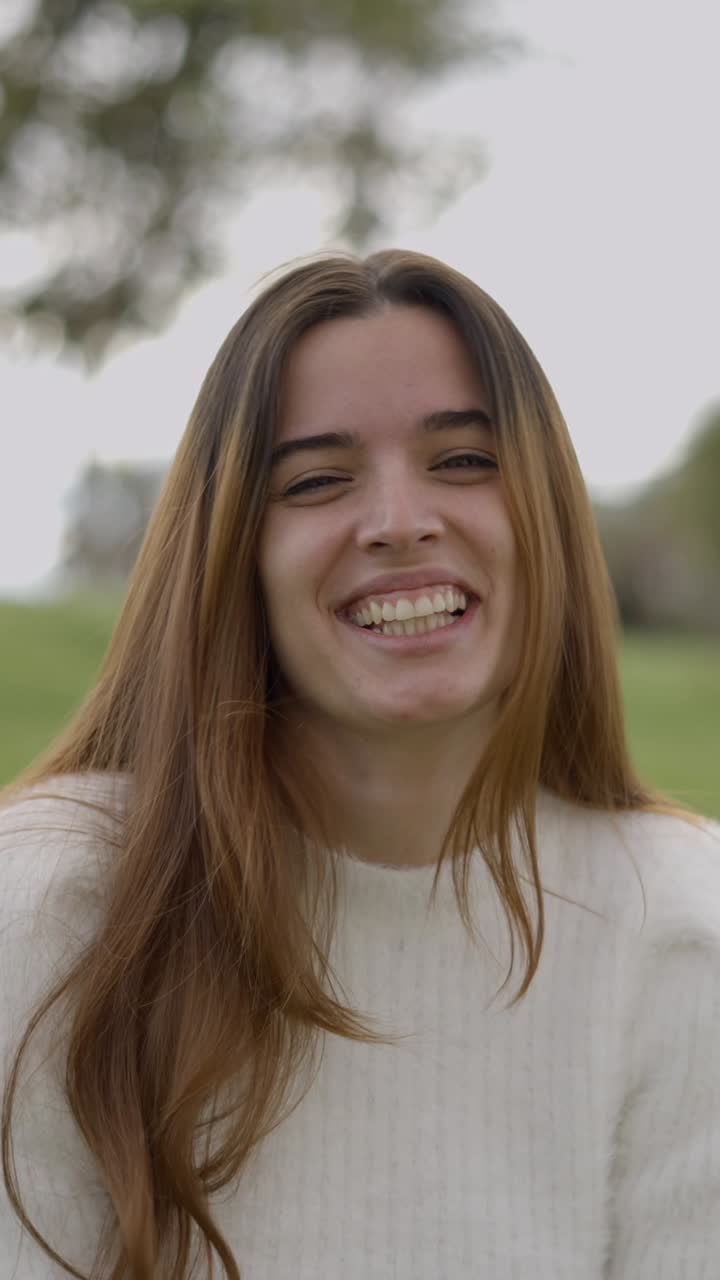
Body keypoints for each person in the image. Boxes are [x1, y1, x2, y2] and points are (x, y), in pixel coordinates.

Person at [1, 249, 719, 1280]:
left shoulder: (685, 924)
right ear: (234, 554)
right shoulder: (46, 906)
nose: (398, 522)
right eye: (319, 480)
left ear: (549, 515)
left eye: (464, 460)